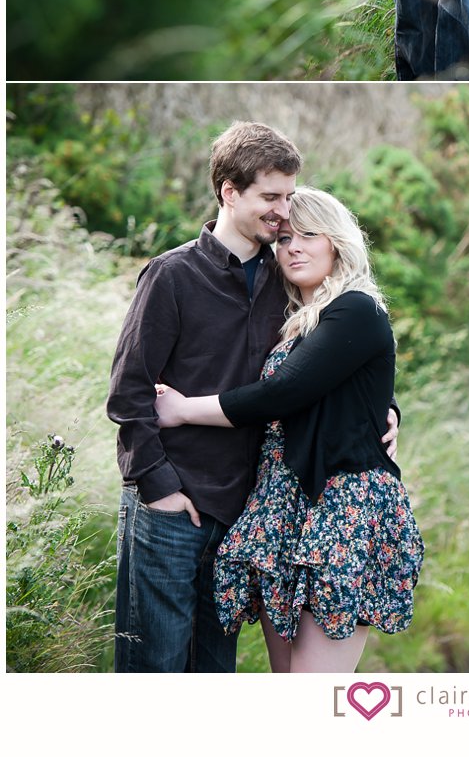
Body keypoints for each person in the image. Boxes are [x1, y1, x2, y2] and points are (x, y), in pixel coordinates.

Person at [106, 121, 400, 673]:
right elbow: (129, 392)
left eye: (289, 199)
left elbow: (323, 372)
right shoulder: (173, 275)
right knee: (154, 669)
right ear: (229, 192)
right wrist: (158, 487)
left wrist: (382, 411)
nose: (283, 215)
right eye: (271, 199)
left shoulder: (287, 281)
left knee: (216, 672)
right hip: (174, 499)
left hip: (246, 513)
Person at [154, 188, 425, 674]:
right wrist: (385, 407)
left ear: (337, 242)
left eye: (308, 235)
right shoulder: (297, 320)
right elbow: (342, 387)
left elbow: (286, 391)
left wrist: (181, 410)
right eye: (283, 239)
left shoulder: (356, 308)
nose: (293, 247)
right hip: (282, 506)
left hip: (342, 506)